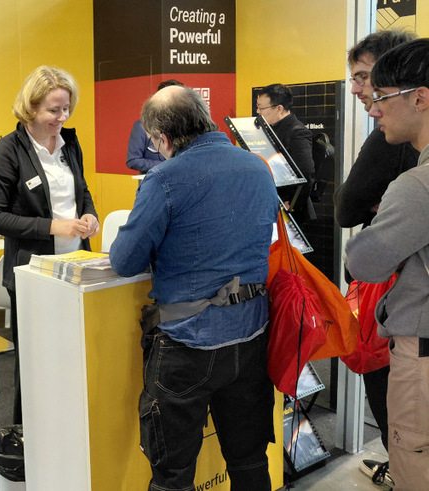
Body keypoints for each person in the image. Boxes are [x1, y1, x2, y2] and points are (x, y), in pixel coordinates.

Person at [109, 85, 278, 490]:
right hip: (252, 337)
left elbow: (124, 261)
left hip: (187, 347)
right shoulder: (258, 167)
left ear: (163, 139)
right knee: (250, 461)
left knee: (173, 477)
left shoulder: (163, 179)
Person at [0, 66, 99, 424]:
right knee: (36, 364)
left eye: (66, 109)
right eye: (53, 110)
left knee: (73, 358)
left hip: (77, 268)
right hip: (35, 275)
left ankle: (69, 433)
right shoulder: (8, 150)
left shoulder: (70, 144)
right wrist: (54, 226)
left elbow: (82, 193)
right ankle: (28, 437)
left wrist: (90, 216)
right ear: (31, 107)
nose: (61, 117)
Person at [333, 28, 418, 488]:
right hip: (400, 310)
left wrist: (383, 208)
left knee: (404, 427)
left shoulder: (406, 166)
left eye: (370, 81)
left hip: (401, 314)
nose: (362, 92)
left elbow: (348, 212)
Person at [257, 83, 315, 220]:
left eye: (261, 108)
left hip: (290, 210)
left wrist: (294, 203)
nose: (258, 112)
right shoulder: (270, 129)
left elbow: (306, 171)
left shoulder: (297, 132)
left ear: (279, 109)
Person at [125, 79, 184, 172]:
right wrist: (168, 165)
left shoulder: (190, 127)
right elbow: (133, 160)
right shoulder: (142, 126)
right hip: (154, 182)